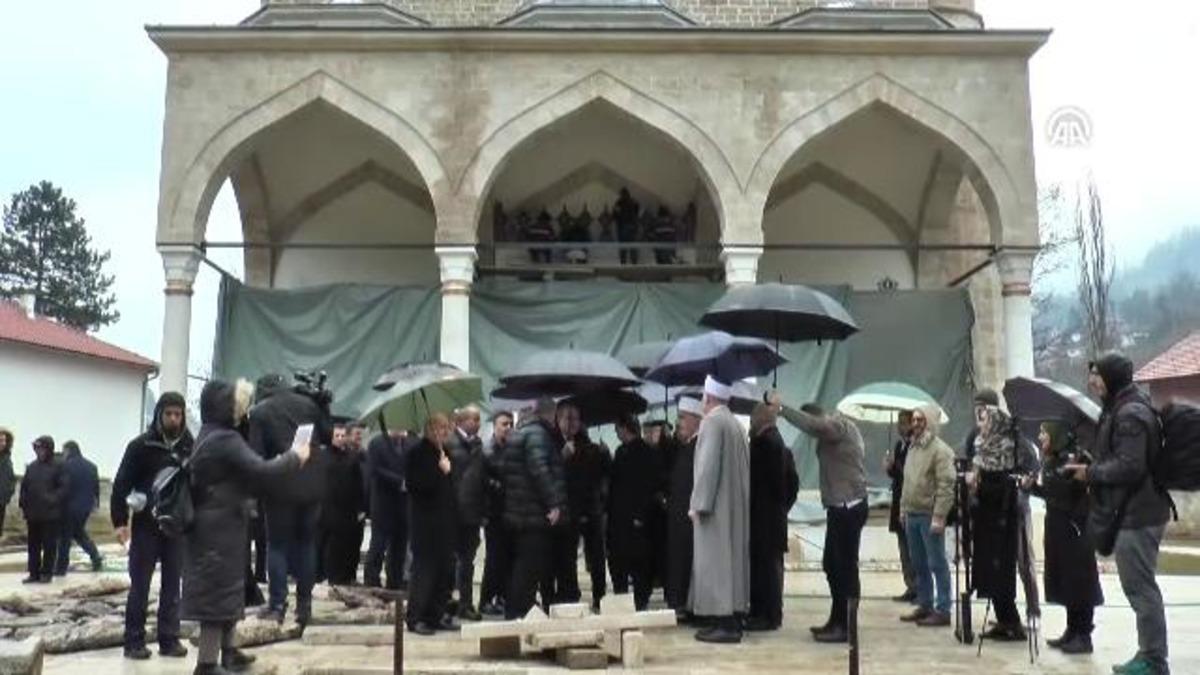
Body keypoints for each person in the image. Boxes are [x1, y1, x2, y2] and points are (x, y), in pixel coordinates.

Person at [184, 378, 310, 675]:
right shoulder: (224, 440)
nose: (242, 411)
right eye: (237, 405)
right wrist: (294, 457)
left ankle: (228, 652)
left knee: (229, 588)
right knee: (216, 594)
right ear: (225, 407)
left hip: (220, 524)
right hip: (218, 527)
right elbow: (261, 470)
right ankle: (206, 664)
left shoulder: (210, 434)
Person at [1064, 354, 1172, 675]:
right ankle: (1150, 654)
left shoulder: (1130, 413)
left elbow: (1130, 466)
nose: (1092, 382)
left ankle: (1153, 660)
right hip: (1132, 510)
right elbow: (1122, 457)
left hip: (1139, 513)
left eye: (1098, 375)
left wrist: (1091, 472)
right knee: (1139, 587)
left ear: (1113, 377)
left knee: (1141, 588)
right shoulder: (1121, 408)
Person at [776, 399, 867, 643]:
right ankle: (836, 619)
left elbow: (817, 426)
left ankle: (846, 626)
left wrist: (782, 409)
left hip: (849, 506)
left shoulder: (837, 426)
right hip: (839, 506)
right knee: (832, 564)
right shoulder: (835, 430)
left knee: (844, 567)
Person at [112, 391, 193, 660]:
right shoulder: (141, 446)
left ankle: (169, 639)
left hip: (176, 527)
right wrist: (120, 521)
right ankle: (134, 641)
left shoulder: (189, 446)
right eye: (169, 414)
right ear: (159, 415)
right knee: (140, 585)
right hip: (146, 525)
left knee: (172, 586)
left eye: (178, 414)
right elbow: (121, 484)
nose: (173, 419)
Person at [248, 374, 330, 626]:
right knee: (307, 544)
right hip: (312, 485)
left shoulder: (260, 412)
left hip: (280, 485)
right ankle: (304, 606)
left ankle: (277, 605)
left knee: (277, 546)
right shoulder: (309, 404)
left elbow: (256, 455)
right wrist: (324, 406)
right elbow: (328, 436)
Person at [1026, 421, 1103, 655]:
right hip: (1057, 527)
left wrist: (1076, 476)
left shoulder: (1077, 460)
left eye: (1044, 433)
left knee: (1080, 581)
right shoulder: (1051, 461)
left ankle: (1084, 635)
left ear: (1057, 435)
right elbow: (1053, 495)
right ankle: (1072, 630)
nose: (1040, 437)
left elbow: (1071, 494)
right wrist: (1031, 487)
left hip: (1075, 529)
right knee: (1066, 581)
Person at [965, 404, 1038, 642]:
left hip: (1004, 518)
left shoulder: (1011, 447)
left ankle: (1013, 622)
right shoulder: (981, 447)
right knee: (987, 570)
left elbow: (1018, 479)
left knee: (1004, 569)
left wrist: (983, 485)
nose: (981, 425)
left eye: (986, 420)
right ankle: (1004, 619)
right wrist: (973, 485)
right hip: (985, 517)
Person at [689, 376, 750, 644]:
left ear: (708, 397)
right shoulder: (736, 424)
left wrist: (698, 504)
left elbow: (707, 466)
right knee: (732, 565)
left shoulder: (712, 422)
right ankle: (732, 618)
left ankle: (724, 623)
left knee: (716, 565)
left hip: (715, 509)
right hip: (734, 506)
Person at [502, 397, 568, 620]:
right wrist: (553, 503)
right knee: (529, 565)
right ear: (552, 414)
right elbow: (539, 469)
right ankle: (520, 610)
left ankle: (517, 608)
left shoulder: (519, 433)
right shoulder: (538, 435)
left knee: (521, 563)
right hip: (532, 512)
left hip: (518, 510)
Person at [898, 406, 956, 628]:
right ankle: (925, 604)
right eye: (914, 420)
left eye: (920, 420)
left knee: (937, 562)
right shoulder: (912, 448)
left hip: (929, 515)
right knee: (918, 563)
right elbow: (907, 481)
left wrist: (939, 515)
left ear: (930, 422)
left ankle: (943, 609)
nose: (916, 424)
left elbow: (946, 485)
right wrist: (903, 508)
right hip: (912, 514)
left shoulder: (941, 451)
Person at [746, 403, 800, 632]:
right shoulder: (781, 445)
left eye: (752, 420)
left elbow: (758, 485)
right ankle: (769, 613)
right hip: (774, 519)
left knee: (765, 570)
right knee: (771, 569)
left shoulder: (764, 445)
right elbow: (793, 485)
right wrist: (782, 508)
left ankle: (765, 615)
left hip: (764, 521)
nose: (750, 424)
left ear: (761, 420)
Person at [406, 414, 459, 636]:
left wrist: (447, 471)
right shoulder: (416, 453)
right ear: (428, 429)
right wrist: (440, 471)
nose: (444, 431)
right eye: (440, 427)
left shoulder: (446, 452)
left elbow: (451, 487)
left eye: (447, 427)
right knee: (424, 573)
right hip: (425, 524)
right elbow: (417, 485)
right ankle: (416, 617)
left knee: (443, 573)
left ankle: (435, 616)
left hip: (445, 522)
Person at [555, 402, 610, 611]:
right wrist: (562, 457)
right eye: (567, 418)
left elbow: (604, 475)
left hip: (591, 508)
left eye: (575, 419)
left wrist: (605, 455)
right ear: (559, 420)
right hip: (568, 509)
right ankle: (570, 594)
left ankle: (599, 595)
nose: (571, 423)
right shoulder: (556, 446)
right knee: (567, 555)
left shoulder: (592, 448)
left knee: (596, 556)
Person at [607, 414, 663, 611]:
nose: (616, 433)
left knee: (631, 563)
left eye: (617, 429)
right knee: (632, 563)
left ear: (625, 428)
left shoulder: (635, 453)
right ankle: (636, 599)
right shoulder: (638, 452)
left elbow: (647, 486)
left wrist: (640, 514)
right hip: (630, 518)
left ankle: (632, 599)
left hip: (630, 518)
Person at [446, 405, 486, 621]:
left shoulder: (478, 445)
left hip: (472, 512)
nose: (478, 423)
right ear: (461, 422)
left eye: (479, 419)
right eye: (474, 419)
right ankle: (446, 602)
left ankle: (466, 603)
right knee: (450, 561)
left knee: (468, 561)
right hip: (453, 512)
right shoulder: (449, 444)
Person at [664, 397, 702, 618]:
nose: (678, 423)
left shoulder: (699, 447)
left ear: (696, 419)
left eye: (682, 417)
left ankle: (685, 605)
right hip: (679, 517)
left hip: (689, 519)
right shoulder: (686, 446)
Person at [364, 428, 409, 590]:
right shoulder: (377, 443)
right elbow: (374, 469)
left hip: (403, 503)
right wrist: (400, 481)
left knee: (399, 545)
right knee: (378, 544)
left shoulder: (408, 443)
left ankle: (395, 581)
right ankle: (372, 580)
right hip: (383, 502)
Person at [321, 425, 366, 586]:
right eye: (337, 436)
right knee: (331, 544)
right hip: (328, 505)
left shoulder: (352, 456)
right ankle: (331, 576)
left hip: (348, 506)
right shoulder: (323, 455)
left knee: (348, 543)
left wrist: (361, 507)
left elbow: (358, 483)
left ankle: (346, 576)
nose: (340, 439)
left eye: (342, 436)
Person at [480, 411, 514, 617]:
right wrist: (497, 485)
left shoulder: (511, 448)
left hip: (509, 510)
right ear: (495, 426)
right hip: (493, 512)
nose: (508, 427)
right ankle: (485, 599)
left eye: (510, 424)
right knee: (493, 558)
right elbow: (482, 479)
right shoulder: (487, 450)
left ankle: (502, 596)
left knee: (506, 557)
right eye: (504, 424)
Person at [20, 435, 67, 584]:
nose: (39, 451)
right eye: (37, 448)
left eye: (42, 449)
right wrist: (23, 503)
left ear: (49, 449)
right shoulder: (32, 467)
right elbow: (24, 487)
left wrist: (52, 499)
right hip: (33, 513)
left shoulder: (58, 466)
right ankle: (33, 572)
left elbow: (64, 488)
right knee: (33, 545)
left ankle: (47, 572)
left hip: (50, 514)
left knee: (49, 545)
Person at [885, 411, 918, 603]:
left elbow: (910, 474)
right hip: (898, 500)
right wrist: (890, 468)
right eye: (899, 423)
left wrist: (896, 466)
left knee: (914, 549)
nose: (900, 427)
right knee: (903, 548)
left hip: (911, 502)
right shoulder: (900, 446)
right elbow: (897, 475)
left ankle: (920, 588)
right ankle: (910, 585)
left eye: (904, 423)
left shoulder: (915, 446)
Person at [56, 440, 103, 574]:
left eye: (64, 452)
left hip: (68, 507)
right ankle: (95, 557)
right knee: (78, 533)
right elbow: (96, 488)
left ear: (68, 450)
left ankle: (61, 568)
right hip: (85, 507)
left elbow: (62, 487)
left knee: (64, 537)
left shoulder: (65, 466)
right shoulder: (92, 466)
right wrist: (96, 504)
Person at [614, 187, 641, 265]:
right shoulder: (633, 202)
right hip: (632, 228)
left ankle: (624, 265)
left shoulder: (619, 203)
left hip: (623, 228)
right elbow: (637, 212)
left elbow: (615, 215)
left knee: (623, 248)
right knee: (632, 247)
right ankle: (634, 264)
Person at [0, 428, 15, 538]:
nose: (3, 443)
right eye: (0, 440)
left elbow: (10, 480)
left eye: (4, 440)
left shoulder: (7, 459)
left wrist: (6, 496)